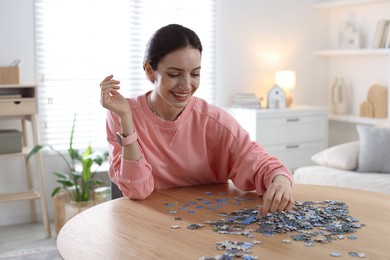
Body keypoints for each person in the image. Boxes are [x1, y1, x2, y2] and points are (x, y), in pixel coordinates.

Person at [100, 24, 294, 216]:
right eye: (174, 74)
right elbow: (137, 190)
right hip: (149, 225)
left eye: (195, 74)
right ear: (150, 71)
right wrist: (126, 119)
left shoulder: (213, 120)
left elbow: (262, 163)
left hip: (208, 226)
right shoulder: (122, 113)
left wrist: (280, 182)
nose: (186, 85)